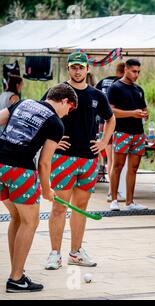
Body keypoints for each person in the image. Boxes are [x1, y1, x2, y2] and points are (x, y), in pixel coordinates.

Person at [0, 84, 77, 292]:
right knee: (30, 222)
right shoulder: (56, 123)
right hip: (20, 170)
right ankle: (16, 279)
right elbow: (44, 162)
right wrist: (46, 189)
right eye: (69, 108)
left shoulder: (23, 103)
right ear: (64, 101)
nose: (67, 113)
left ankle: (17, 271)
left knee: (17, 218)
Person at [44, 52, 115, 270]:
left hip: (89, 159)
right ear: (68, 69)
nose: (77, 71)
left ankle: (75, 252)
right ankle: (54, 253)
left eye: (81, 67)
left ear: (87, 69)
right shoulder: (57, 91)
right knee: (59, 207)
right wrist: (53, 144)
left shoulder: (96, 95)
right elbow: (42, 115)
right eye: (73, 67)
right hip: (63, 158)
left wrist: (103, 143)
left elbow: (111, 119)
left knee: (80, 207)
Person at [108, 59, 148, 211]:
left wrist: (145, 114)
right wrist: (132, 113)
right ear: (125, 69)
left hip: (138, 133)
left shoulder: (139, 89)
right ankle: (114, 200)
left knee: (134, 168)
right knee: (117, 166)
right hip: (122, 132)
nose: (136, 74)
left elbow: (143, 108)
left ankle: (130, 202)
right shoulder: (116, 87)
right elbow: (111, 111)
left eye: (138, 72)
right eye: (133, 71)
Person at [96, 62, 126, 201]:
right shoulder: (122, 84)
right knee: (116, 160)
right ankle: (114, 191)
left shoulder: (103, 81)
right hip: (117, 124)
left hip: (103, 122)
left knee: (109, 158)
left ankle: (110, 191)